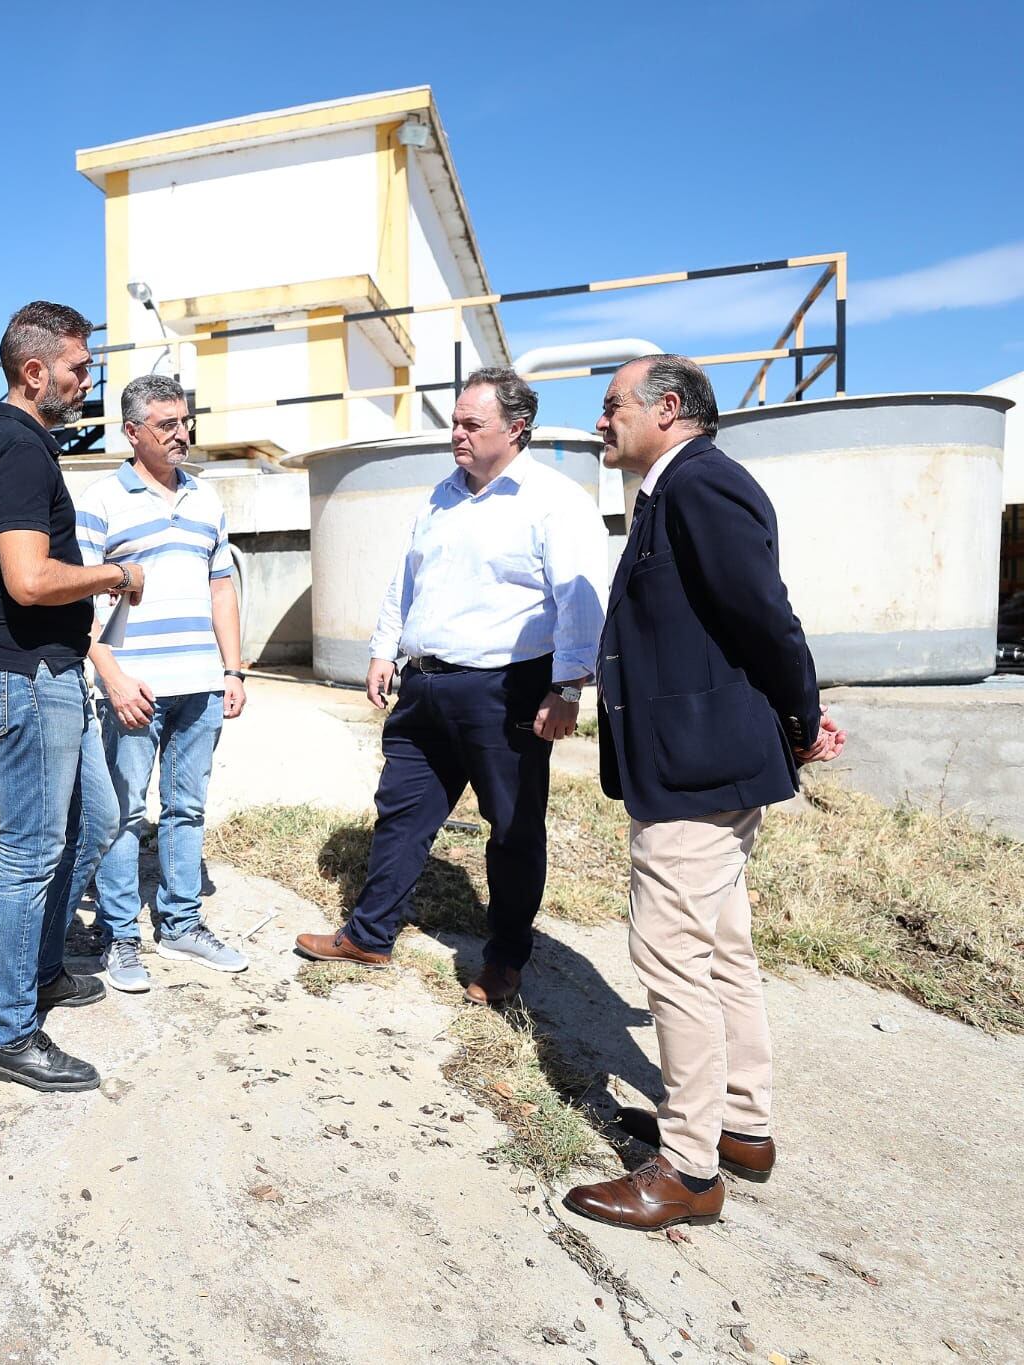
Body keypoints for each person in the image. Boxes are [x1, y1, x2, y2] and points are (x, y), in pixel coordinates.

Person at [563, 355, 844, 1231]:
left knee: (671, 953)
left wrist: (803, 717)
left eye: (613, 406)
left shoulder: (699, 487)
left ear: (668, 408)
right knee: (723, 944)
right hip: (698, 759)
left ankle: (688, 1166)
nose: (601, 421)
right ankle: (742, 1125)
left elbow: (765, 615)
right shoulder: (671, 490)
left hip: (697, 767)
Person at [293, 368, 606, 1003]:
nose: (456, 435)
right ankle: (369, 935)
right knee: (401, 814)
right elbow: (406, 582)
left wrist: (568, 687)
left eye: (471, 424)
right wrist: (384, 651)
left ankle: (504, 959)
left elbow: (580, 601)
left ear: (516, 430)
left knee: (513, 830)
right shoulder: (440, 496)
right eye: (454, 423)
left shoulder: (554, 501)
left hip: (506, 691)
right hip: (426, 686)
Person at [0, 300, 141, 1093]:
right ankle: (11, 1033)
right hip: (26, 673)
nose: (86, 377)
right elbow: (29, 581)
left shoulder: (17, 444)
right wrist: (115, 574)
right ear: (35, 373)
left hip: (49, 670)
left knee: (95, 818)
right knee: (31, 850)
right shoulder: (19, 449)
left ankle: (41, 968)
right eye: (77, 366)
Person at [70, 374, 250, 993]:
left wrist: (232, 668)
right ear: (132, 432)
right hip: (133, 689)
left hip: (200, 682)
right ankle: (121, 936)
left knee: (188, 808)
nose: (183, 434)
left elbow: (221, 586)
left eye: (186, 421)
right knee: (123, 814)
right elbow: (76, 605)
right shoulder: (99, 501)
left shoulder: (206, 499)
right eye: (167, 424)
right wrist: (112, 678)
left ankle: (180, 924)